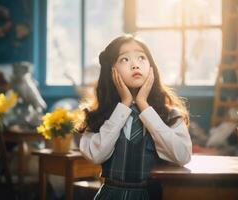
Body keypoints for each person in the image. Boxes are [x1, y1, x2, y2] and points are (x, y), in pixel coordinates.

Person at [78, 34, 192, 200]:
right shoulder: (99, 115)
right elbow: (96, 155)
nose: (135, 64)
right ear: (111, 70)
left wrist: (143, 105)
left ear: (152, 68)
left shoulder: (169, 115)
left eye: (141, 58)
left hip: (152, 195)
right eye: (124, 59)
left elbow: (182, 156)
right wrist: (124, 104)